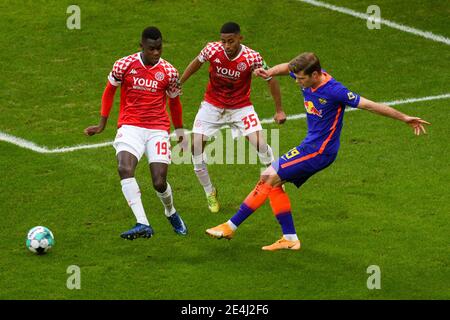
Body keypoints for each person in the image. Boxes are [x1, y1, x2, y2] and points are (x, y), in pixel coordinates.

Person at [206, 52, 430, 251]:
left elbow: (370, 105)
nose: (298, 82)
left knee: (268, 177)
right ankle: (290, 238)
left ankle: (230, 226)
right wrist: (269, 71)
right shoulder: (306, 78)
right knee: (273, 181)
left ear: (315, 74)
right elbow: (287, 68)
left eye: (302, 78)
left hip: (320, 151)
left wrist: (404, 118)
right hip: (309, 146)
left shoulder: (335, 91)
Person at [84, 26, 188, 239]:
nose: (156, 53)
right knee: (124, 168)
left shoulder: (170, 72)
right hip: (130, 126)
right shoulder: (124, 65)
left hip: (158, 129)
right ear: (141, 46)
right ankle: (143, 223)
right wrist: (101, 124)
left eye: (159, 48)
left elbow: (175, 104)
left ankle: (171, 211)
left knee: (159, 182)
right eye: (152, 49)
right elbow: (109, 91)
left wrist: (179, 132)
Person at [180, 22, 286, 213]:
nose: (227, 46)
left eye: (231, 41)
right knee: (195, 148)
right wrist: (179, 82)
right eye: (224, 41)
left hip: (240, 107)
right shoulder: (212, 49)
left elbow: (271, 79)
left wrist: (279, 110)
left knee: (260, 144)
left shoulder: (252, 57)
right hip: (212, 106)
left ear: (239, 38)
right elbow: (196, 63)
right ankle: (209, 192)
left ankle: (275, 181)